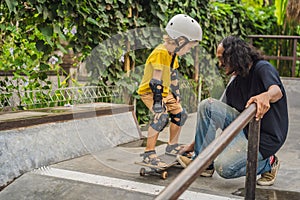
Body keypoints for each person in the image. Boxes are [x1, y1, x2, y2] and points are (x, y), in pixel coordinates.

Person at [177, 35, 289, 186]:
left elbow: (277, 91)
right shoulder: (234, 83)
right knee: (207, 105)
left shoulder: (262, 68)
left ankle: (269, 163)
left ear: (233, 55)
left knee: (224, 167)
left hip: (266, 138)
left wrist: (266, 96)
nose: (220, 64)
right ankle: (203, 163)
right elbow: (215, 116)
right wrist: (193, 146)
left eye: (221, 58)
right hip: (245, 129)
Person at [137, 14, 203, 167]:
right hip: (150, 92)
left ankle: (172, 146)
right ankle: (149, 153)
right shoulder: (161, 52)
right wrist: (158, 104)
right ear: (180, 40)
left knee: (180, 114)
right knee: (160, 117)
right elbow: (156, 81)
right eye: (189, 46)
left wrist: (176, 93)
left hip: (165, 92)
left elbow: (173, 75)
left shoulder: (173, 54)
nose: (188, 50)